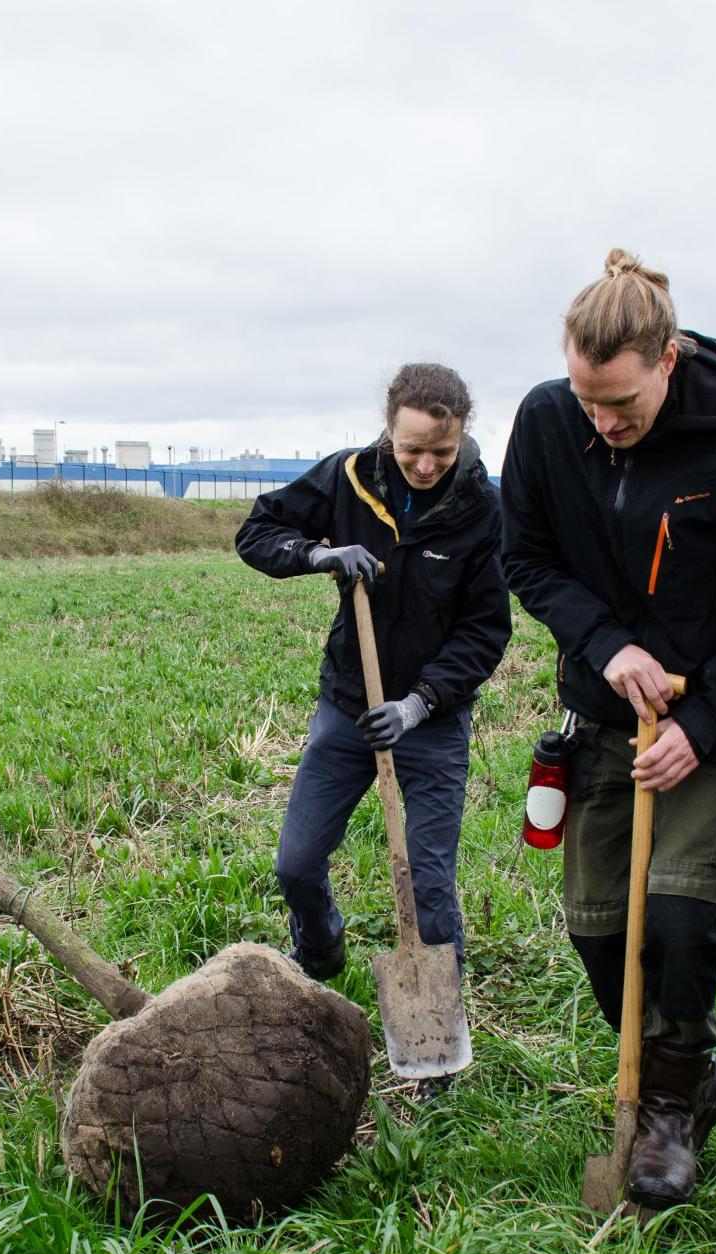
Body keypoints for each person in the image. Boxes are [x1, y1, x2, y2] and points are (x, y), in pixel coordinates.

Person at [501, 249, 716, 1210]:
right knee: (600, 933)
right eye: (589, 401)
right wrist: (605, 646)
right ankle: (695, 1070)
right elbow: (528, 555)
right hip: (601, 723)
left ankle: (669, 1106)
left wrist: (707, 717)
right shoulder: (547, 422)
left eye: (624, 406)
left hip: (708, 732)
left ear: (668, 359)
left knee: (679, 914)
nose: (604, 423)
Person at [235, 362, 511, 1089]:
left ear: (461, 439)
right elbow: (256, 532)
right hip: (347, 705)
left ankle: (435, 1048)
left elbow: (486, 632)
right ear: (390, 429)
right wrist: (317, 553)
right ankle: (321, 953)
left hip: (431, 725)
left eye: (441, 453)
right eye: (413, 448)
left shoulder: (483, 508)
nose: (425, 465)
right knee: (295, 865)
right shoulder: (347, 478)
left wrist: (420, 703)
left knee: (428, 887)